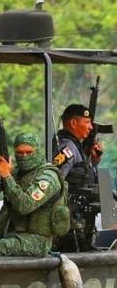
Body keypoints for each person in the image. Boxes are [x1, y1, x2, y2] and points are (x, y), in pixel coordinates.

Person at [0, 133, 68, 257]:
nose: (24, 156)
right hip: (15, 234)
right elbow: (6, 210)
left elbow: (25, 206)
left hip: (39, 241)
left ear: (37, 151)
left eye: (29, 152)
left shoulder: (47, 177)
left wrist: (7, 177)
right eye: (20, 152)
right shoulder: (17, 174)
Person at [53, 104, 101, 251]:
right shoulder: (67, 148)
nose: (91, 127)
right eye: (87, 122)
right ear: (73, 123)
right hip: (71, 224)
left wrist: (93, 161)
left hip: (81, 221)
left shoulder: (76, 147)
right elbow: (55, 181)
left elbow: (82, 176)